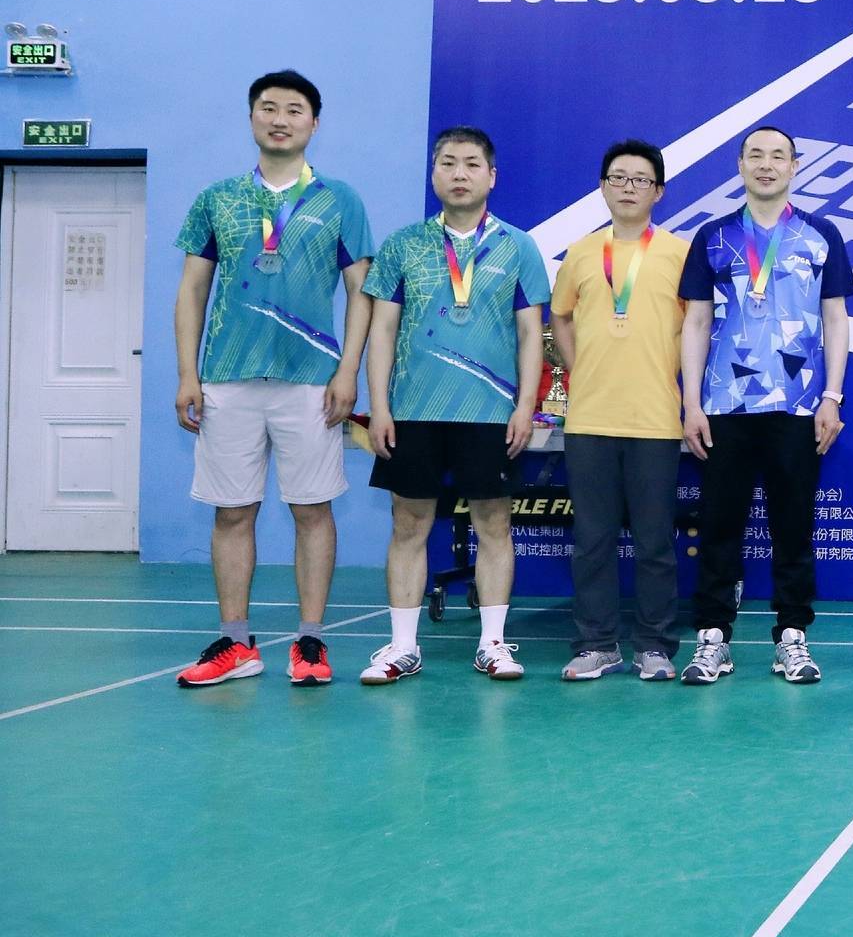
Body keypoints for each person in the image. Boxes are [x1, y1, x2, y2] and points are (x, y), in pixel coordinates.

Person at [172, 70, 375, 689]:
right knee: (232, 514)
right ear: (252, 118)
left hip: (311, 380)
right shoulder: (217, 198)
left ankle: (310, 641)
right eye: (268, 108)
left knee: (312, 510)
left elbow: (361, 293)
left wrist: (347, 370)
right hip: (227, 379)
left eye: (293, 109)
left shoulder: (340, 200)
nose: (280, 119)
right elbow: (192, 290)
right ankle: (237, 644)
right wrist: (188, 374)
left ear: (314, 123)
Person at [359, 127, 548, 683]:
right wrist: (379, 406)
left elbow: (530, 334)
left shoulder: (518, 246)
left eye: (471, 164)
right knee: (408, 524)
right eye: (448, 163)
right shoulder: (402, 245)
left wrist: (525, 406)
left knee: (494, 524)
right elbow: (381, 331)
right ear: (434, 173)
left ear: (492, 176)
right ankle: (402, 647)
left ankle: (493, 643)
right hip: (413, 410)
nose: (459, 174)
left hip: (490, 412)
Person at [676, 126, 852, 687]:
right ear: (740, 164)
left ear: (795, 166)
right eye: (756, 155)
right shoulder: (713, 236)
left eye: (778, 156)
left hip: (799, 406)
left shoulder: (821, 234)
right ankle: (712, 638)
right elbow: (695, 322)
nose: (767, 164)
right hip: (725, 404)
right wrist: (691, 402)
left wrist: (832, 396)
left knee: (793, 526)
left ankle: (792, 637)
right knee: (719, 524)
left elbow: (836, 319)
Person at [553, 140, 689, 682]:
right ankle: (596, 643)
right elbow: (560, 316)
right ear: (603, 188)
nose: (628, 188)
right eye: (618, 178)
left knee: (655, 542)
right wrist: (579, 367)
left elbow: (698, 327)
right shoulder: (581, 253)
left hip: (656, 418)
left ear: (659, 191)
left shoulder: (679, 253)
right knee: (592, 541)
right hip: (590, 419)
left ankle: (654, 645)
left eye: (640, 180)